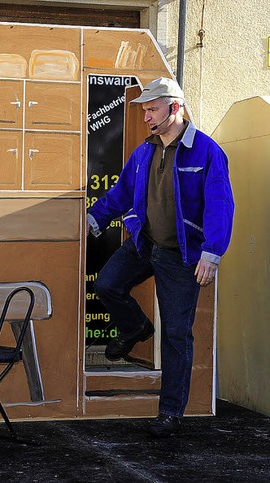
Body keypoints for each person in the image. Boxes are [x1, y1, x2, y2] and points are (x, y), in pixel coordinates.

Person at [87, 77, 234, 437]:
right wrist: (96, 216)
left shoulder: (208, 151)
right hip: (143, 243)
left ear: (175, 107)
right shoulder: (144, 151)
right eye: (144, 110)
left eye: (152, 109)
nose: (146, 117)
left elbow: (221, 205)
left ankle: (170, 413)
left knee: (177, 336)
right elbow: (122, 193)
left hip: (183, 256)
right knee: (107, 283)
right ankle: (136, 327)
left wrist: (212, 253)